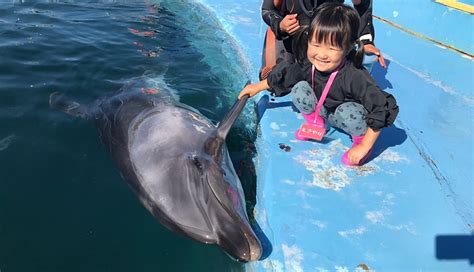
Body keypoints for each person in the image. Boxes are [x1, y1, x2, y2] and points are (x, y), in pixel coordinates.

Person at [239, 2, 398, 166]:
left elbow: (381, 107)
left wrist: (364, 146)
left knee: (347, 112)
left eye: (332, 48)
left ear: (349, 47)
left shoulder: (355, 76)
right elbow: (286, 76)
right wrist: (256, 88)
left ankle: (359, 138)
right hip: (323, 109)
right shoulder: (309, 64)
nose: (321, 54)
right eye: (315, 45)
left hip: (346, 114)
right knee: (299, 89)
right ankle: (316, 123)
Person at [259, 0, 386, 80]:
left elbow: (363, 6)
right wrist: (279, 24)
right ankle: (274, 59)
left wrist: (366, 42)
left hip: (325, 41)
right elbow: (267, 9)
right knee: (278, 78)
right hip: (289, 37)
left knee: (343, 77)